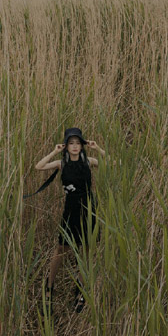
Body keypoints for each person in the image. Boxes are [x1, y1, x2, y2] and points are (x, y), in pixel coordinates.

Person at [30, 127, 106, 316]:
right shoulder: (60, 163)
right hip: (70, 210)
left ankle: (80, 289)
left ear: (83, 145)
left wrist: (97, 148)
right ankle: (49, 287)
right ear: (66, 145)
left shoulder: (89, 161)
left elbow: (115, 163)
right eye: (71, 143)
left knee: (87, 249)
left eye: (78, 143)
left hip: (89, 209)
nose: (74, 146)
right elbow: (38, 166)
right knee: (61, 249)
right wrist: (55, 151)